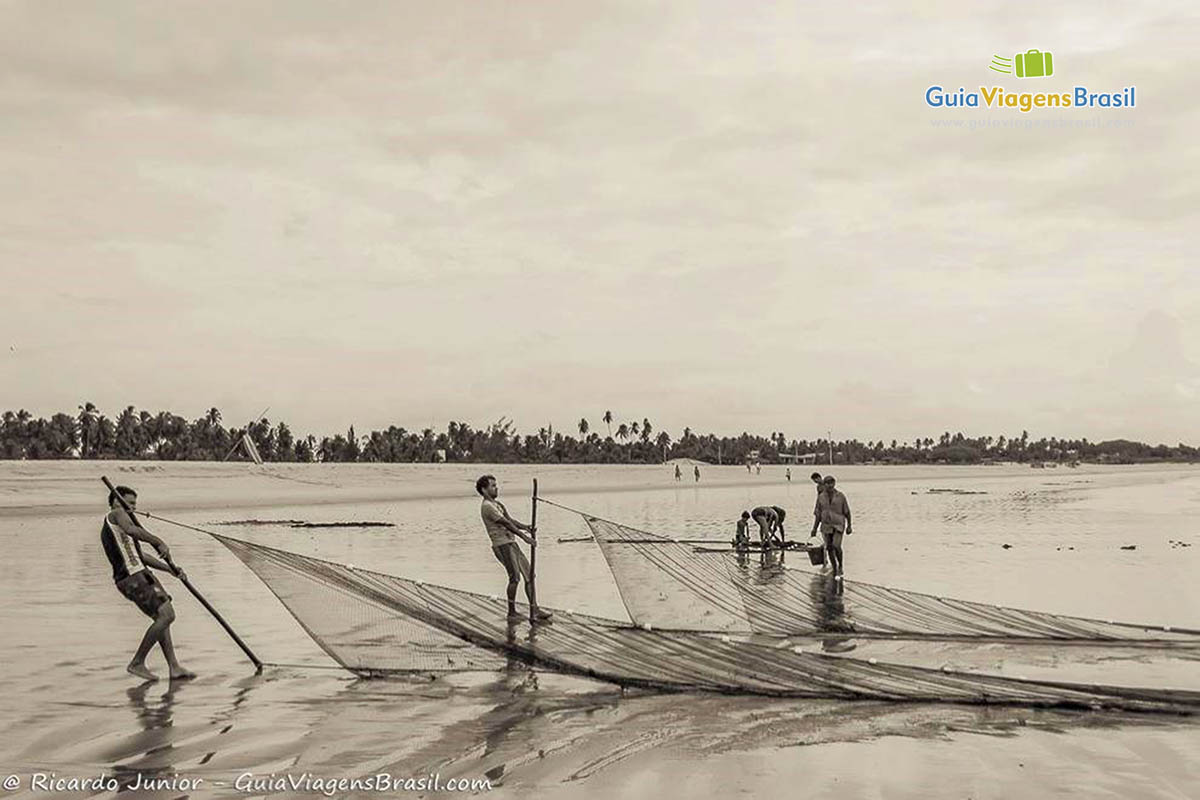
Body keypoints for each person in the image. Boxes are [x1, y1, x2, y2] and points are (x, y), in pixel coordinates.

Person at [101, 485, 194, 682]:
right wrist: (158, 540)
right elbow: (132, 529)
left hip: (137, 574)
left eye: (135, 504)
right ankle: (137, 662)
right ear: (116, 501)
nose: (133, 507)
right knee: (167, 615)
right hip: (134, 577)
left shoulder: (119, 528)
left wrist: (170, 569)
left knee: (162, 618)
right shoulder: (117, 514)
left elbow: (139, 555)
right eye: (130, 503)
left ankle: (174, 667)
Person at [476, 475, 552, 622]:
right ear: (484, 490)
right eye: (492, 486)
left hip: (511, 543)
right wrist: (525, 538)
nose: (496, 488)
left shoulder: (497, 504)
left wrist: (526, 528)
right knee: (514, 578)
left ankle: (534, 609)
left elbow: (510, 521)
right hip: (502, 545)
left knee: (529, 575)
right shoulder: (487, 506)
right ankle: (511, 612)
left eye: (496, 485)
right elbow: (506, 524)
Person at [810, 476, 852, 579]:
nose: (830, 486)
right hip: (826, 525)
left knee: (836, 546)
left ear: (834, 484)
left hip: (838, 524)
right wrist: (814, 529)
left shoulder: (840, 496)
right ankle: (835, 567)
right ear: (824, 485)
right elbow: (818, 514)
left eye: (831, 483)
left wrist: (849, 526)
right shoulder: (821, 497)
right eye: (827, 484)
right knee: (829, 547)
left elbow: (847, 512)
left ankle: (841, 566)